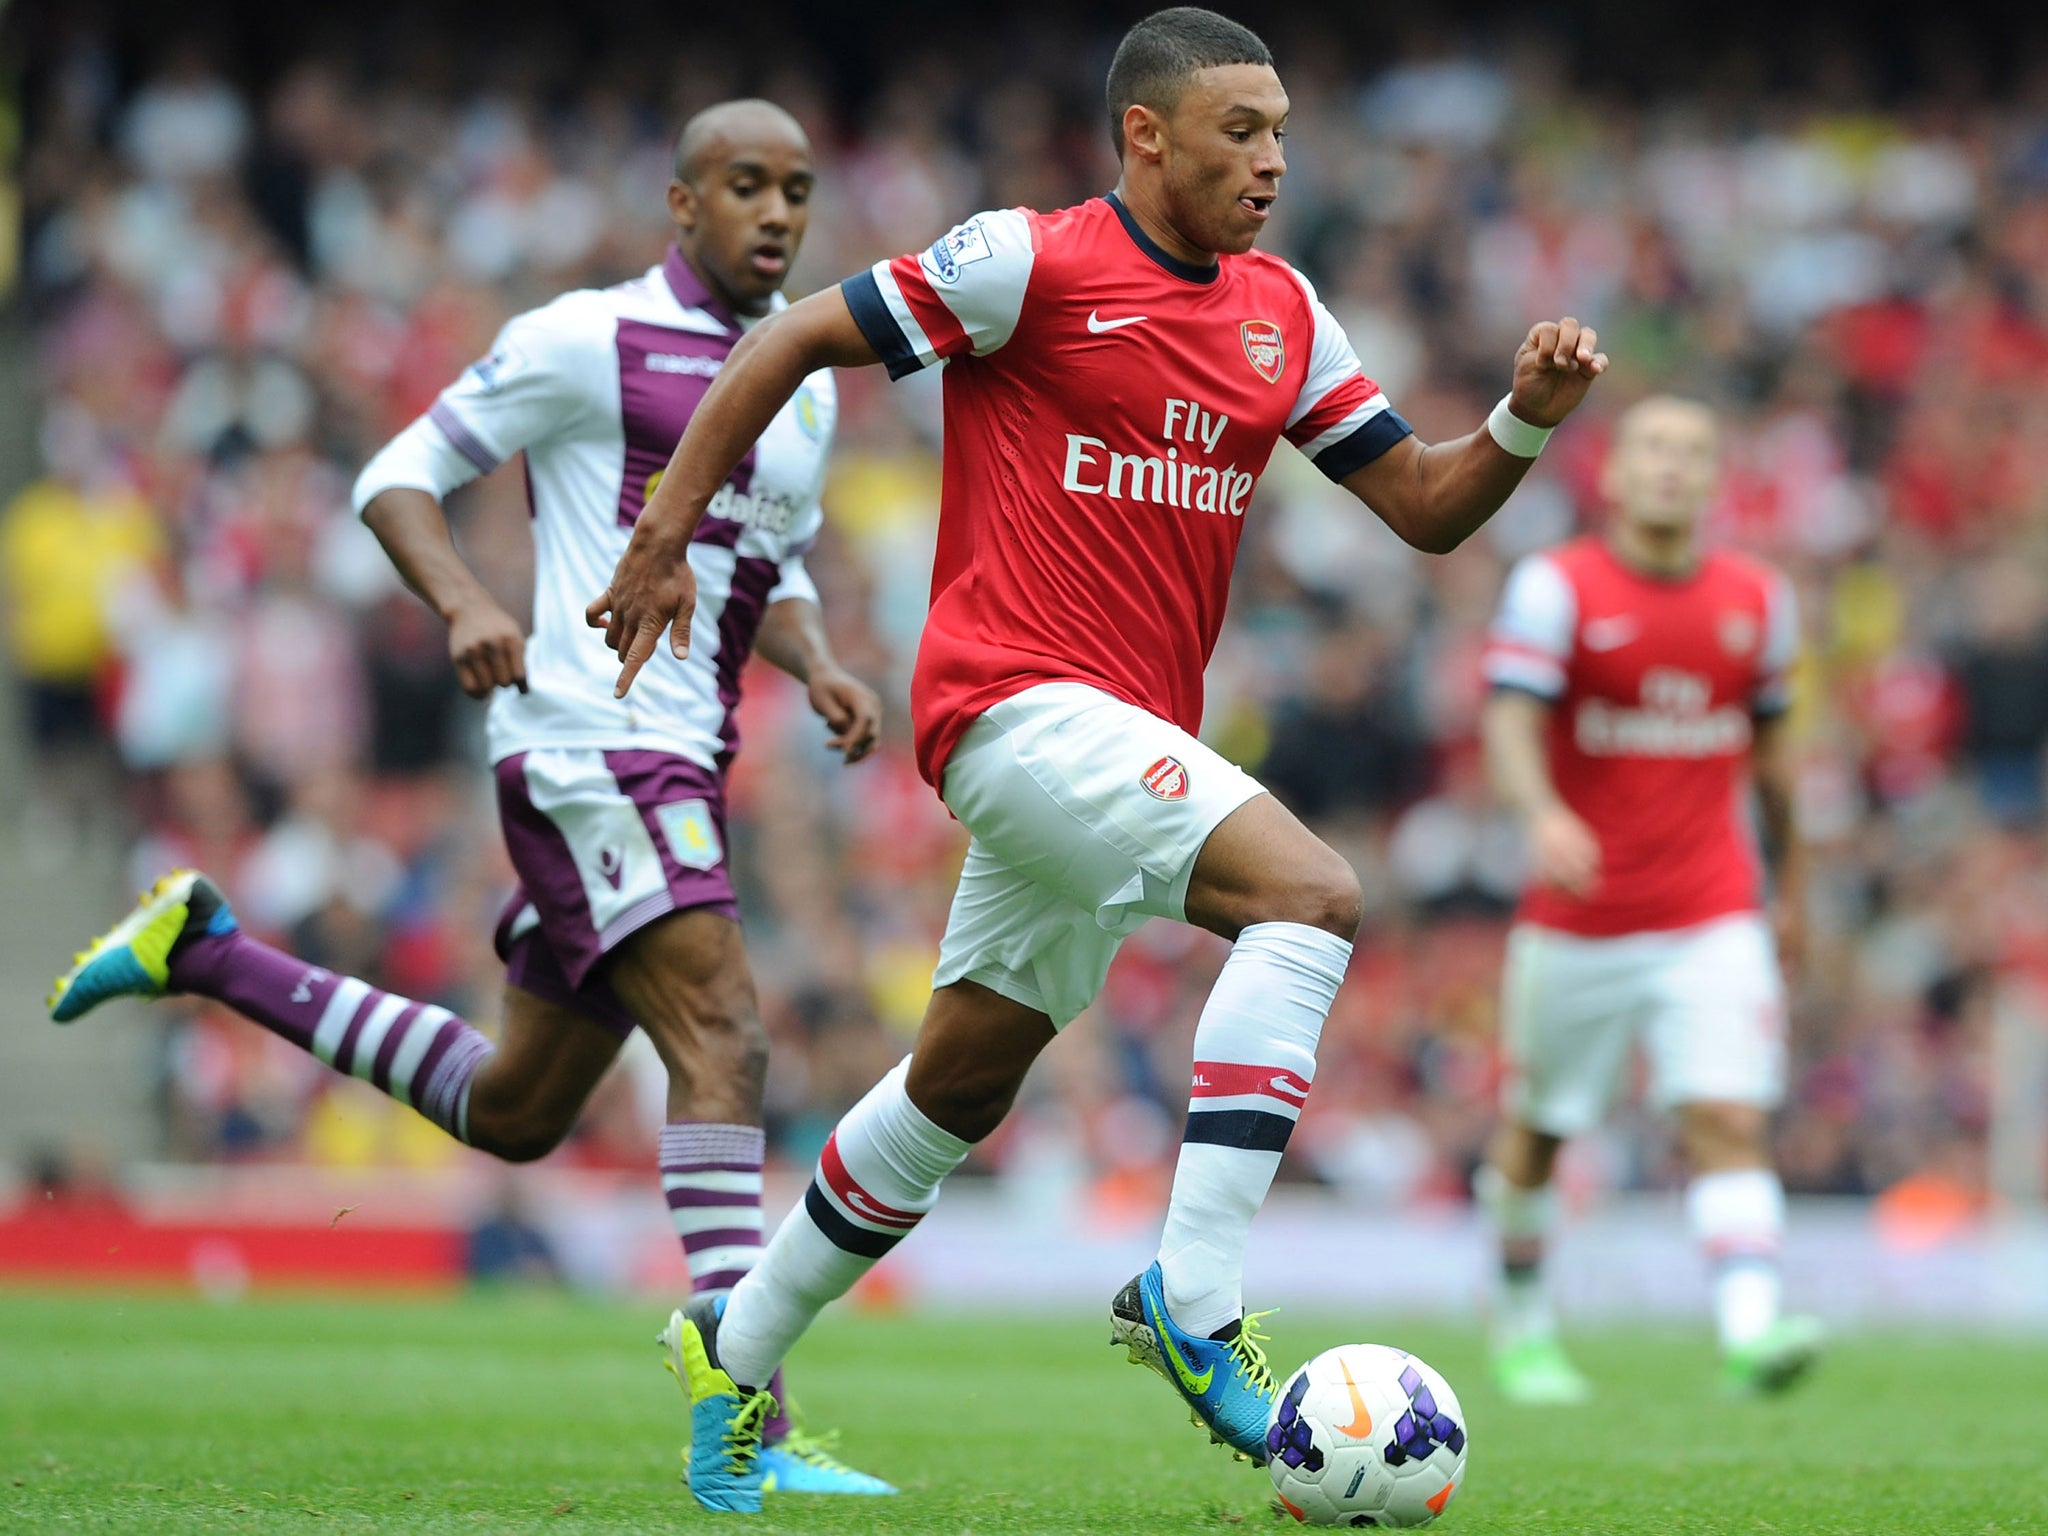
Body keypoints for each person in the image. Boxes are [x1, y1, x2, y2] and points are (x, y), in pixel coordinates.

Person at [592, 8, 1608, 1513]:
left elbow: (1423, 502)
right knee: (1311, 899)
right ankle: (1191, 1305)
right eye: (1239, 131)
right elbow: (800, 333)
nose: (1271, 160)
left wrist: (1524, 420)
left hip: (1120, 739)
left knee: (956, 1089)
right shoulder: (1029, 262)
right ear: (1148, 133)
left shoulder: (1284, 312)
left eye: (1280, 132)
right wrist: (666, 530)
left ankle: (730, 1364)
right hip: (1010, 706)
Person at [46, 99, 894, 1497]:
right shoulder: (588, 337)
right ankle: (751, 1424)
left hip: (682, 753)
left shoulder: (803, 376)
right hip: (585, 740)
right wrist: (462, 604)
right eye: (746, 186)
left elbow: (767, 557)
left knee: (514, 1111)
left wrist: (816, 662)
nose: (778, 215)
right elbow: (398, 475)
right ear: (682, 206)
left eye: (798, 191)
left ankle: (201, 947)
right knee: (728, 1038)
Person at [1476, 394, 1821, 1403]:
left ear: (1714, 481)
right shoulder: (1555, 588)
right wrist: (1538, 813)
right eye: (1651, 450)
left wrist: (1791, 889)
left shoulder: (1758, 602)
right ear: (1613, 476)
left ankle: (1750, 1334)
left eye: (1692, 452)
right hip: (1577, 914)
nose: (1670, 467)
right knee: (1538, 1131)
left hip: (1710, 909)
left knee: (1726, 1114)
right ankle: (1522, 1325)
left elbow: (1775, 766)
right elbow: (1506, 722)